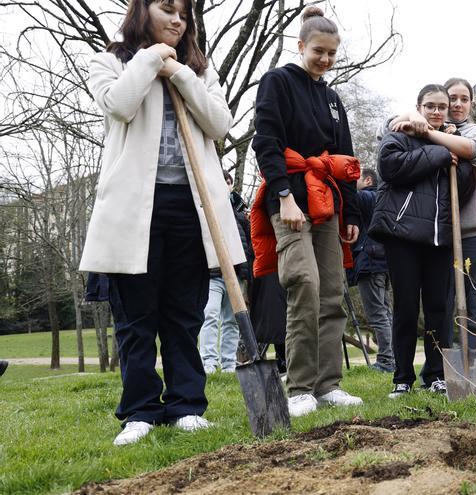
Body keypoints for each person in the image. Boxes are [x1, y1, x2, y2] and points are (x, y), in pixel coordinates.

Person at [79, 0, 245, 446]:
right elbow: (118, 105)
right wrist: (151, 59)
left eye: (184, 14)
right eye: (167, 9)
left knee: (184, 313)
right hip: (135, 207)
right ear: (142, 11)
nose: (177, 20)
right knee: (136, 315)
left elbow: (219, 123)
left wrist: (181, 75)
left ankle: (186, 405)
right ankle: (139, 411)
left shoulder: (201, 71)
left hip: (191, 206)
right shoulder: (110, 61)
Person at [251, 6, 362, 418]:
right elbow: (266, 141)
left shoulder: (332, 99)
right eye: (319, 51)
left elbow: (346, 158)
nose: (326, 60)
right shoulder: (277, 82)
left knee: (332, 290)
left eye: (333, 53)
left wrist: (352, 214)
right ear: (301, 46)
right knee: (304, 283)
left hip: (326, 202)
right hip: (291, 199)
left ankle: (328, 383)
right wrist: (283, 195)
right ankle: (299, 387)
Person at [369, 84, 476, 399]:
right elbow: (390, 167)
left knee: (438, 309)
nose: (437, 112)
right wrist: (440, 153)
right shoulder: (399, 134)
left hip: (438, 237)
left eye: (442, 107)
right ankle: (402, 378)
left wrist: (457, 158)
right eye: (430, 106)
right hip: (402, 235)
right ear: (418, 107)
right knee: (404, 306)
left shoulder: (451, 142)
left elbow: (464, 186)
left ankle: (436, 375)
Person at [385, 78, 476, 361]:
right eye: (451, 99)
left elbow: (473, 151)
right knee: (442, 305)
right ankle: (443, 368)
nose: (457, 104)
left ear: (471, 103)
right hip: (440, 231)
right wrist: (412, 117)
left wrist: (429, 131)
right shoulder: (422, 124)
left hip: (474, 230)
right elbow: (389, 130)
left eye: (464, 99)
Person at [198, 172, 253, 374]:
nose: (227, 185)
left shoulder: (240, 216)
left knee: (232, 319)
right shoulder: (204, 210)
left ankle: (229, 364)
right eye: (223, 181)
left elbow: (248, 248)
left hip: (236, 275)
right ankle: (209, 362)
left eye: (229, 182)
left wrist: (246, 276)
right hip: (212, 275)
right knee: (210, 315)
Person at [347, 168, 395, 373]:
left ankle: (386, 361)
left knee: (377, 314)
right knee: (385, 312)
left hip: (371, 262)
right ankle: (393, 357)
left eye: (356, 179)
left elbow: (350, 197)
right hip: (385, 262)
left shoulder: (368, 196)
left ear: (368, 180)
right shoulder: (386, 198)